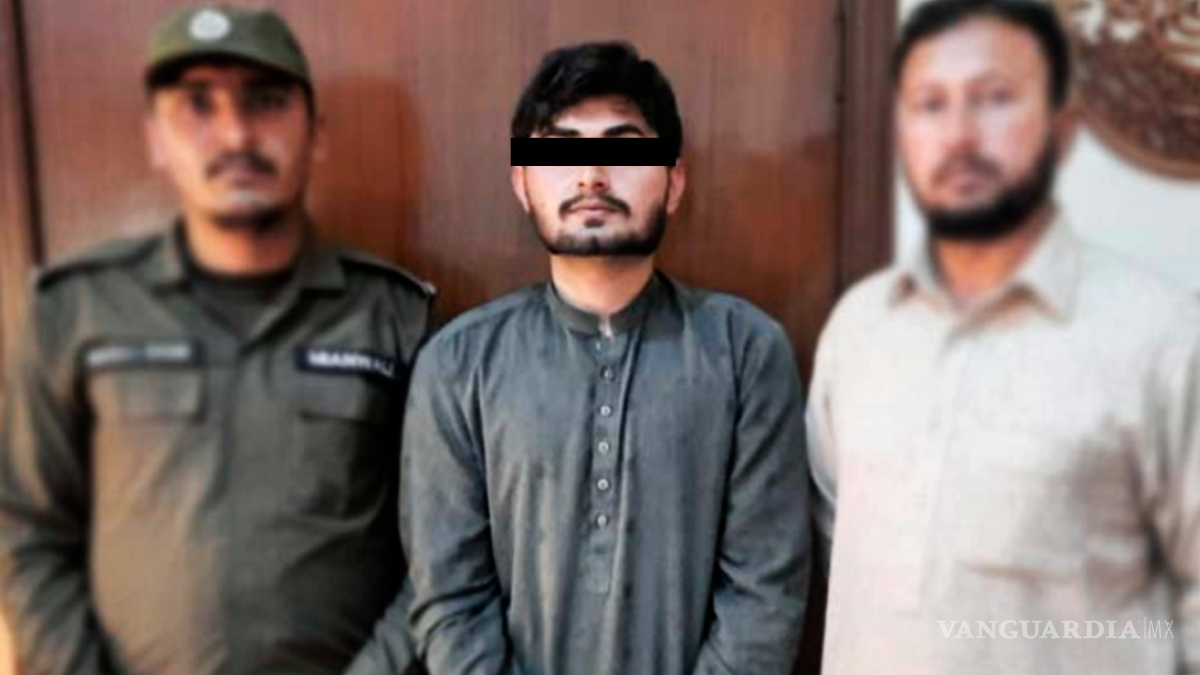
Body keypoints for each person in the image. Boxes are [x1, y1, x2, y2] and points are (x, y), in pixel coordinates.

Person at [352, 41, 811, 675]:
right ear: (522, 183)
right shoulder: (457, 365)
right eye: (561, 150)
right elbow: (450, 600)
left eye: (624, 147)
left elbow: (765, 595)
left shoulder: (746, 353)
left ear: (674, 182)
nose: (591, 175)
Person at [0, 5, 433, 674]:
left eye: (266, 101)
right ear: (155, 138)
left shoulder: (394, 316)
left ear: (315, 133)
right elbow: (28, 531)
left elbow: (439, 550)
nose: (235, 133)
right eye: (198, 105)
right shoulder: (76, 309)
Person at [808, 1, 1200, 673]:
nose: (959, 135)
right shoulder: (859, 327)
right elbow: (833, 523)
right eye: (930, 105)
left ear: (1062, 127)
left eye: (994, 99)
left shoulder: (1162, 335)